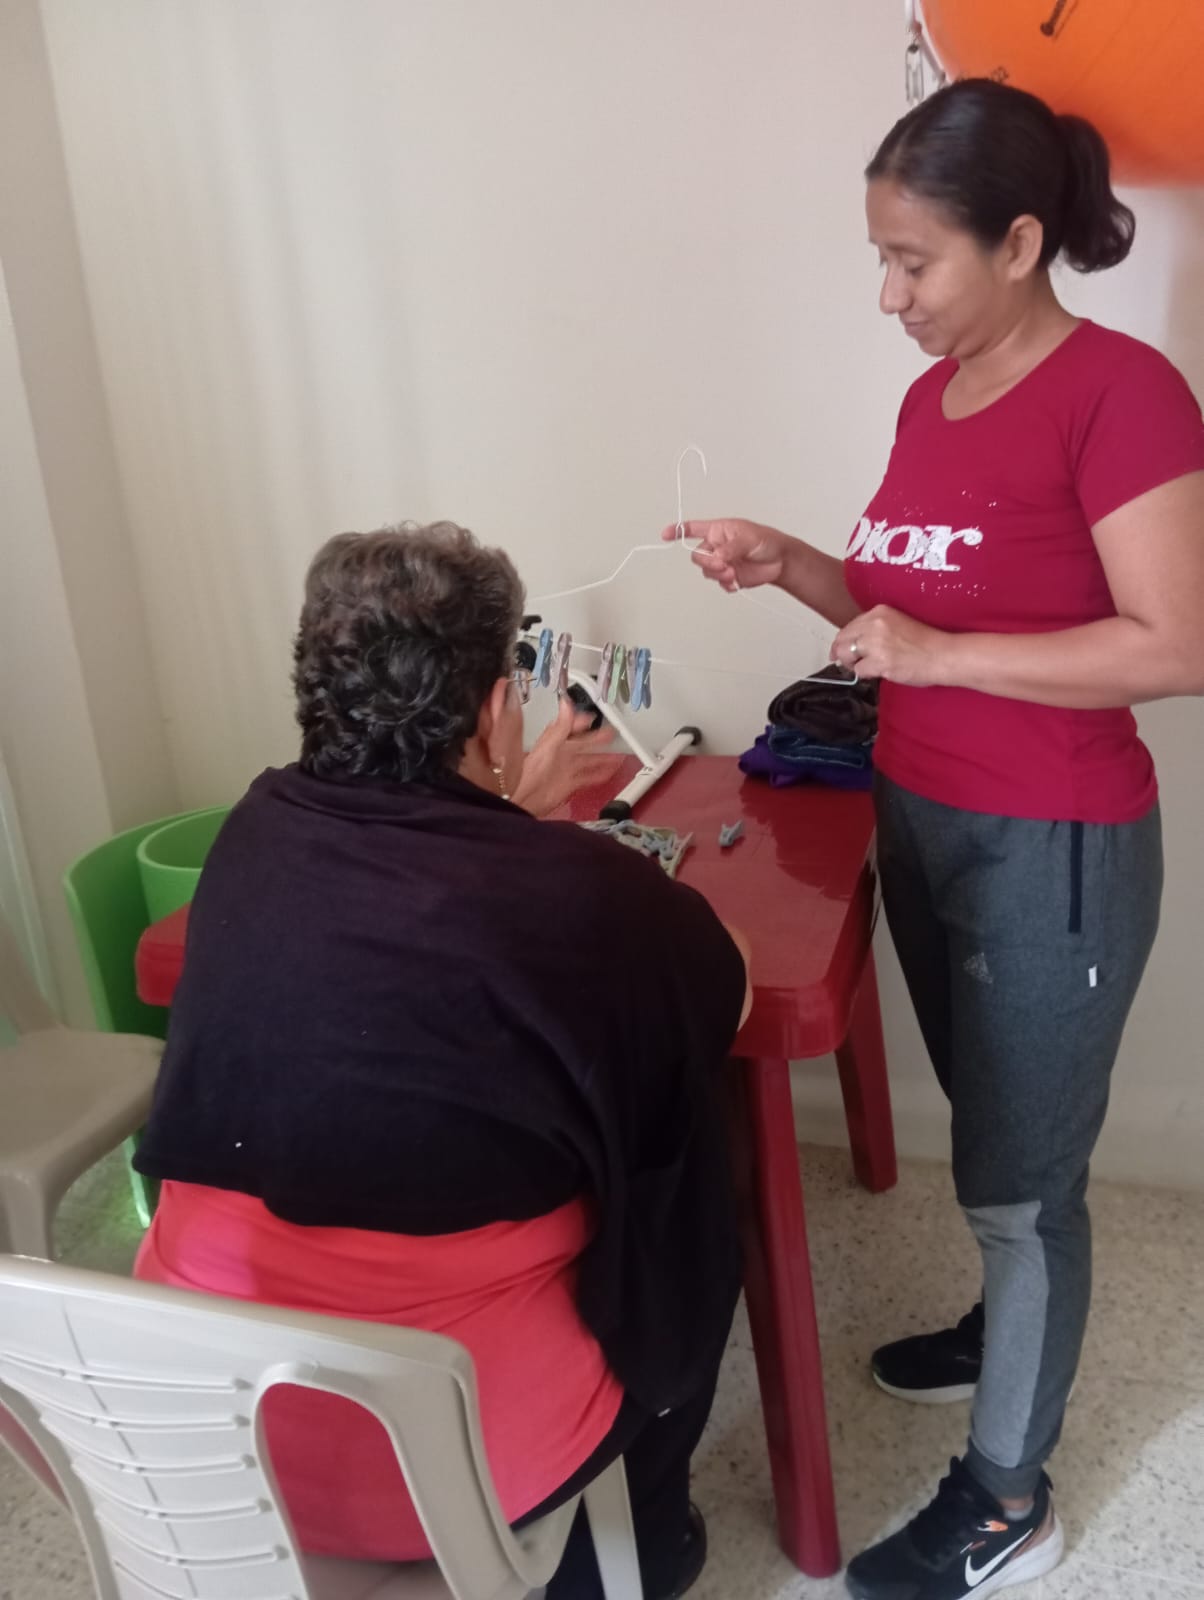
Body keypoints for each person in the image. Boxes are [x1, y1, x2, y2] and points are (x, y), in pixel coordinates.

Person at [669, 79, 1204, 1600]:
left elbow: (1179, 643)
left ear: (1019, 243)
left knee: (1027, 1186)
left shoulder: (1123, 394)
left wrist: (946, 659)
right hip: (922, 819)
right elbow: (901, 612)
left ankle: (1007, 1502)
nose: (889, 295)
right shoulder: (935, 397)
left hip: (1053, 846)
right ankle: (1003, 1330)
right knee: (993, 1130)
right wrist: (792, 563)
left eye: (914, 261)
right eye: (880, 259)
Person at [133, 521, 752, 1600]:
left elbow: (407, 894)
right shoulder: (583, 897)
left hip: (197, 1435)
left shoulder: (254, 832)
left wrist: (500, 815)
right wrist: (536, 836)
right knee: (690, 1176)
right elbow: (726, 985)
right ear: (496, 707)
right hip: (441, 1469)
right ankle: (643, 1547)